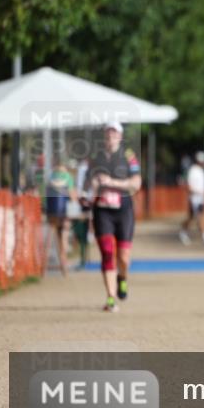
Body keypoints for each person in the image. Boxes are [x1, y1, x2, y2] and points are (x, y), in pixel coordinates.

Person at [85, 121, 141, 312]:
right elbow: (89, 182)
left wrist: (112, 182)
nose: (111, 136)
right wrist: (91, 190)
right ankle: (111, 298)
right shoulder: (96, 157)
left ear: (120, 136)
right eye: (108, 133)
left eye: (114, 133)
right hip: (102, 210)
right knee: (108, 253)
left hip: (124, 210)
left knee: (123, 257)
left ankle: (122, 278)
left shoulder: (128, 156)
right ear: (104, 136)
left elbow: (136, 184)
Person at [43, 162, 79, 277]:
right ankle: (64, 266)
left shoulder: (50, 178)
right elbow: (73, 197)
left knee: (55, 238)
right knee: (63, 238)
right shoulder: (68, 178)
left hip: (51, 215)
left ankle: (48, 266)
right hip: (64, 214)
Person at [180, 151, 204, 245]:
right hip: (195, 199)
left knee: (195, 217)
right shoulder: (193, 170)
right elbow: (189, 186)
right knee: (199, 216)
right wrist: (199, 192)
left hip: (201, 198)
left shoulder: (202, 171)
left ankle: (185, 231)